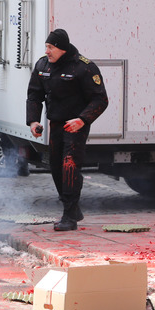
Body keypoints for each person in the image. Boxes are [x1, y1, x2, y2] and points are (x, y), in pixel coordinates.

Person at [27, 29, 108, 231]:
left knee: (69, 166)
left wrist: (82, 120)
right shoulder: (42, 65)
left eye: (51, 47)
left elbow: (100, 99)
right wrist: (33, 122)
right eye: (46, 47)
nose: (47, 51)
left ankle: (69, 217)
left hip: (75, 126)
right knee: (55, 167)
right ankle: (72, 208)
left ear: (62, 49)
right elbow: (34, 95)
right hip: (55, 124)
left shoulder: (84, 67)